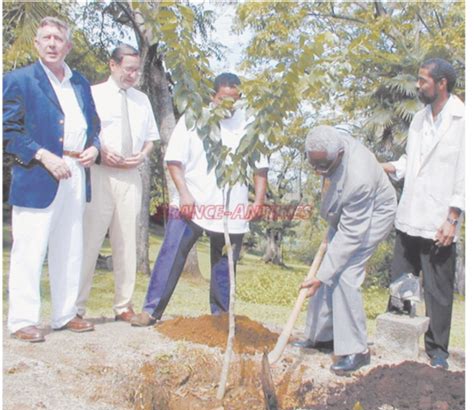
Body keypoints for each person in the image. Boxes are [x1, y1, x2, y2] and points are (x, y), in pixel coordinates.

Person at [131, 73, 268, 326]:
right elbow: (174, 161)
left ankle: (221, 318)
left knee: (225, 266)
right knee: (171, 255)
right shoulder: (194, 120)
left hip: (231, 210)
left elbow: (260, 168)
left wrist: (258, 202)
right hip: (190, 204)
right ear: (212, 97)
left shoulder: (250, 124)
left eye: (235, 100)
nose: (230, 106)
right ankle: (151, 311)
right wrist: (184, 193)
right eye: (224, 100)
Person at [3, 17, 100, 342]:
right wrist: (43, 155)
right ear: (36, 43)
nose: (52, 43)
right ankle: (22, 321)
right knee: (29, 249)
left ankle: (65, 313)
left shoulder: (81, 84)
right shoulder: (19, 80)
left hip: (76, 173)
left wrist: (94, 149)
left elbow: (94, 127)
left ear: (68, 46)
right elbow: (8, 131)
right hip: (37, 175)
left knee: (70, 247)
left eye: (58, 38)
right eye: (46, 37)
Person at [293, 125, 397, 375]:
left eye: (323, 165)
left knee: (345, 273)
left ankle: (356, 350)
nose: (318, 171)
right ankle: (323, 336)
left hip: (373, 216)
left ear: (339, 154)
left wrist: (321, 276)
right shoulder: (328, 145)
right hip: (346, 214)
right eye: (313, 164)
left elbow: (352, 235)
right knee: (327, 268)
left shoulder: (358, 177)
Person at [382, 58, 464, 370]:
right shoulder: (419, 118)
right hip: (409, 216)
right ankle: (397, 347)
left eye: (423, 80)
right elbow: (409, 161)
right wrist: (386, 167)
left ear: (442, 83)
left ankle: (438, 353)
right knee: (401, 286)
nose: (418, 85)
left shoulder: (463, 120)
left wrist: (453, 218)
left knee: (438, 291)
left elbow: (464, 174)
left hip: (439, 221)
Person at [74, 44, 159, 322]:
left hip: (130, 176)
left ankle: (123, 306)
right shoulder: (93, 94)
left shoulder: (142, 100)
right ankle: (75, 307)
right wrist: (100, 151)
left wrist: (142, 156)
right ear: (113, 65)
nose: (133, 75)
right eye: (128, 69)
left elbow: (150, 139)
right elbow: (84, 133)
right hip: (100, 174)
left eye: (136, 70)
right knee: (90, 240)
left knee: (126, 242)